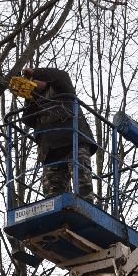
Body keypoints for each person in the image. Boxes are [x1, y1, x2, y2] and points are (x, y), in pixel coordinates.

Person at [17, 66, 97, 201]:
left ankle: (86, 207)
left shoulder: (60, 85)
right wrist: (30, 96)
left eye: (37, 79)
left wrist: (35, 72)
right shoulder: (37, 97)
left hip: (73, 141)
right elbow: (28, 119)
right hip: (51, 150)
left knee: (82, 184)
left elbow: (61, 75)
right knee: (52, 193)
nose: (34, 82)